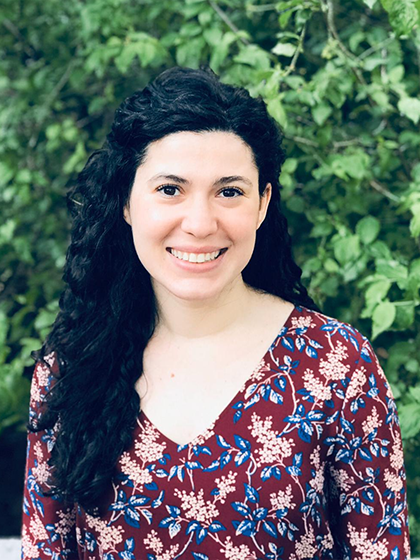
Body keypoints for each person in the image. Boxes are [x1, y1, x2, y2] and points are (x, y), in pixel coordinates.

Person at [21, 66, 410, 560]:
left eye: (229, 191)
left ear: (263, 204)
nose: (201, 224)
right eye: (170, 189)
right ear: (126, 202)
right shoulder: (68, 373)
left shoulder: (335, 365)